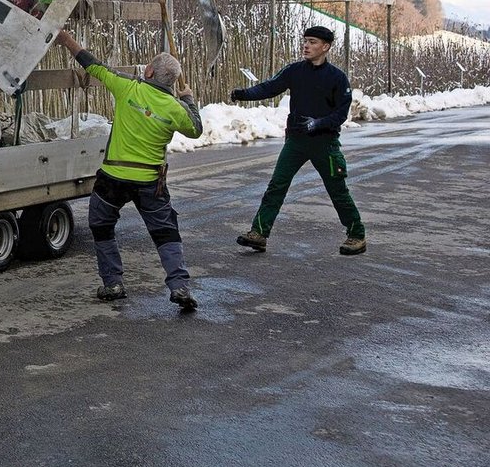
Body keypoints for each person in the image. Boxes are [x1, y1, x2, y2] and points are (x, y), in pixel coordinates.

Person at [59, 31, 203, 310]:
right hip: (150, 181)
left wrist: (66, 40)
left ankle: (113, 283)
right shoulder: (175, 109)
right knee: (165, 232)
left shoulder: (127, 87)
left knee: (101, 226)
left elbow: (93, 65)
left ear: (148, 71)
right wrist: (188, 100)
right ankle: (179, 286)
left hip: (113, 178)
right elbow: (196, 128)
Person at [232, 25, 366, 255]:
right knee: (277, 186)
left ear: (325, 47)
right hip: (296, 141)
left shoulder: (337, 78)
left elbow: (341, 114)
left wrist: (318, 123)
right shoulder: (295, 71)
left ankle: (357, 235)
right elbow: (269, 87)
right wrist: (243, 94)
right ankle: (259, 233)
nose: (306, 45)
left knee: (337, 190)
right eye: (305, 41)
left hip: (325, 143)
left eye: (312, 42)